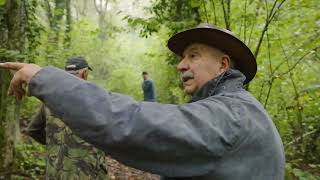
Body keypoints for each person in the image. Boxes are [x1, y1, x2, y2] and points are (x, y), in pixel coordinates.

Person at [0, 23, 285, 180]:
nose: (181, 65)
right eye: (182, 58)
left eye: (193, 55)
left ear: (223, 65)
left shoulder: (232, 114)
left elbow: (133, 122)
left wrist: (46, 78)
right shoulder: (240, 109)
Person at [25, 57, 108, 179]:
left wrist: (54, 144)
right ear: (85, 73)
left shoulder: (50, 99)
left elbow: (33, 130)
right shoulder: (98, 99)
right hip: (87, 173)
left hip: (56, 172)